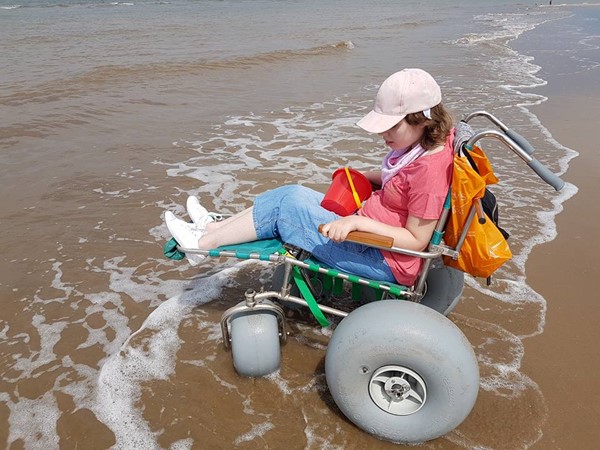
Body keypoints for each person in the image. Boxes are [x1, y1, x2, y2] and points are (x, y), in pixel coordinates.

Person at [164, 68, 454, 286]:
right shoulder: (424, 147)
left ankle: (200, 247)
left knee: (286, 207)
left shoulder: (430, 171)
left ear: (422, 119)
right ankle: (212, 229)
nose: (382, 133)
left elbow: (416, 241)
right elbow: (404, 183)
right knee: (291, 193)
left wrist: (356, 221)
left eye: (391, 126)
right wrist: (363, 176)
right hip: (372, 238)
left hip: (384, 258)